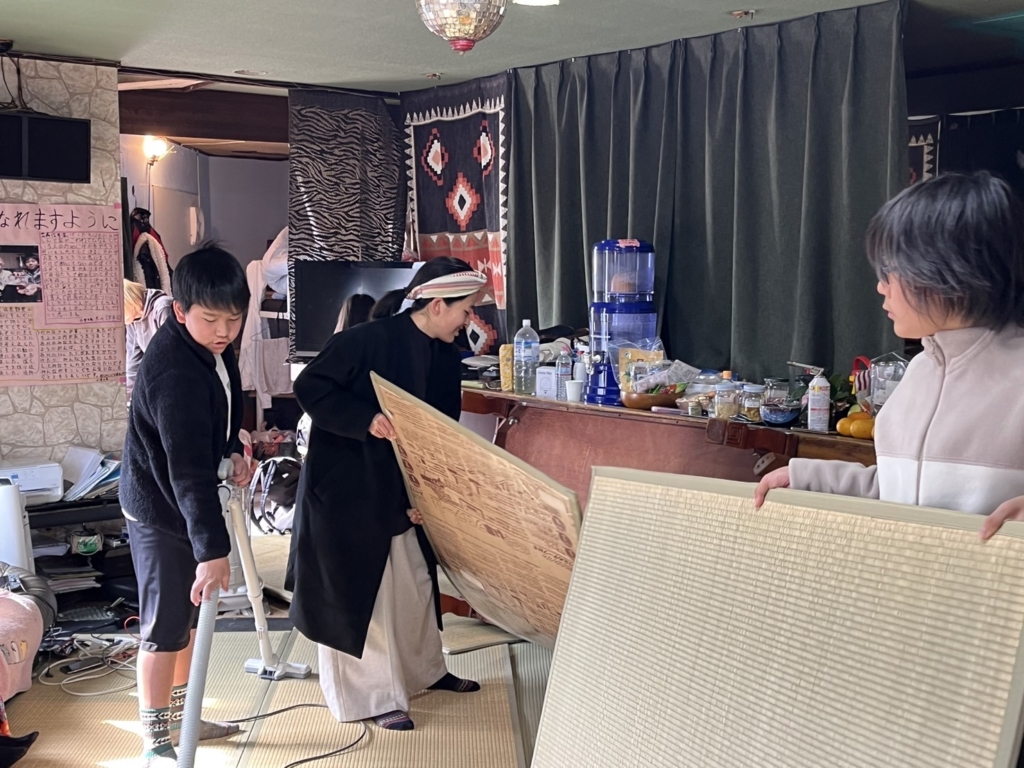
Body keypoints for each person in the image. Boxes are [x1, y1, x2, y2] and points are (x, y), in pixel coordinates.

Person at [754, 171, 1024, 535]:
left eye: (890, 270)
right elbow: (899, 492)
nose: (881, 287)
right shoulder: (918, 371)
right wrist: (807, 476)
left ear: (949, 271)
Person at [287, 257, 487, 732]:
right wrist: (365, 419)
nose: (468, 320)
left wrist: (428, 495)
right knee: (365, 596)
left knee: (413, 584)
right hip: (347, 487)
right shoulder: (364, 340)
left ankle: (424, 672)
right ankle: (371, 697)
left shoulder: (445, 355)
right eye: (465, 310)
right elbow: (309, 385)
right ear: (437, 306)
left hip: (400, 487)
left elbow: (438, 431)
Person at [119, 244, 252, 767]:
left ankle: (184, 718)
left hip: (182, 496)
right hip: (159, 508)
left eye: (233, 319)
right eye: (211, 319)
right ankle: (155, 742)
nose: (224, 331)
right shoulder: (174, 371)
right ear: (179, 310)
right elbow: (187, 474)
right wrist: (211, 552)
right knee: (164, 628)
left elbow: (223, 409)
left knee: (190, 621)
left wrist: (231, 449)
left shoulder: (211, 347)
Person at [123, 280, 174, 404]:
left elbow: (171, 352)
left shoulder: (162, 307)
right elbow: (133, 361)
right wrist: (124, 395)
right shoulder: (133, 321)